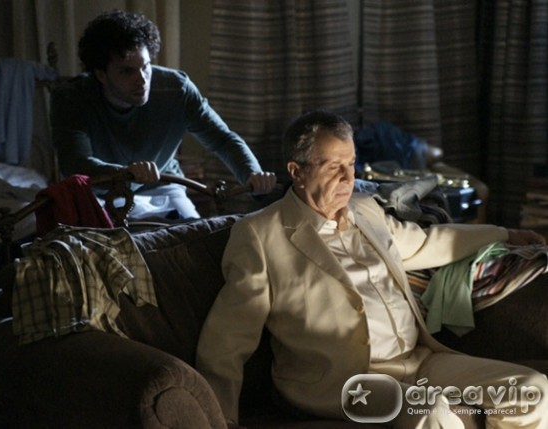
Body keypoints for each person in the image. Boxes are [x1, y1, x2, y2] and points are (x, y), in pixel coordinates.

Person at [195, 110, 548, 428]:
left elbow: (424, 243)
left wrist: (504, 234)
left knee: (532, 390)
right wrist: (221, 418)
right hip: (344, 383)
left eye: (351, 164)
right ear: (297, 172)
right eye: (334, 167)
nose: (348, 177)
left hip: (417, 362)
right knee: (428, 411)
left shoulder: (366, 209)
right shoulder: (260, 235)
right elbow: (227, 339)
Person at [50, 10, 276, 220]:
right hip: (99, 194)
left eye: (146, 66)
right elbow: (75, 163)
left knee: (197, 237)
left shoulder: (176, 89)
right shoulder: (72, 98)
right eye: (127, 71)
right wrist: (125, 174)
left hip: (164, 187)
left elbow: (222, 140)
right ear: (101, 74)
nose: (142, 80)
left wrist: (253, 174)